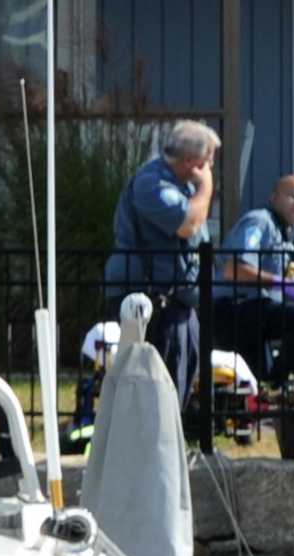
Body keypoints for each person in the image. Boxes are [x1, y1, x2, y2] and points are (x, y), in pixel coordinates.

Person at [105, 120, 221, 405]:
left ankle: (171, 444)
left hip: (179, 300)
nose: (210, 168)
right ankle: (151, 447)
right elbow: (187, 225)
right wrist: (206, 187)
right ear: (191, 161)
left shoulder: (183, 188)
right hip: (151, 302)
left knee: (180, 379)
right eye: (208, 162)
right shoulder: (151, 182)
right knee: (155, 388)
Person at [216, 175, 294, 386]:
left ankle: (274, 389)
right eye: (293, 196)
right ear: (274, 198)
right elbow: (232, 269)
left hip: (257, 312)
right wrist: (281, 283)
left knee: (255, 383)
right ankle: (278, 386)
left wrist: (288, 283)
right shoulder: (260, 222)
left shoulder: (281, 231)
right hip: (235, 309)